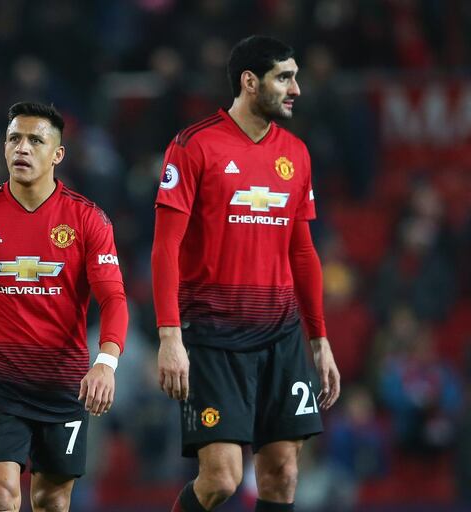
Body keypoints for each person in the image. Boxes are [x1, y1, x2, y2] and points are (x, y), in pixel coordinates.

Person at [151, 35, 341, 512]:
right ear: (250, 82)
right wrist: (170, 335)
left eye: (296, 76)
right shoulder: (194, 146)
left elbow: (302, 252)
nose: (296, 87)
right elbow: (165, 247)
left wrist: (319, 339)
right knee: (221, 479)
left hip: (280, 336)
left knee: (283, 473)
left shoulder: (296, 153)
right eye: (285, 77)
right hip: (213, 338)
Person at [0, 102, 128, 512]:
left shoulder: (88, 220)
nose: (22, 148)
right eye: (14, 139)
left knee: (51, 501)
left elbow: (114, 298)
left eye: (35, 140)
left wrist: (106, 362)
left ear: (57, 154)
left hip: (62, 384)